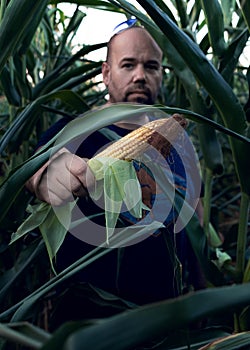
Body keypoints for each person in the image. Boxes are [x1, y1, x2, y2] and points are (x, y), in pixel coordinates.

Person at [26, 20, 205, 322]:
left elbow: (195, 212)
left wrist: (202, 288)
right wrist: (47, 179)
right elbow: (38, 172)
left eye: (151, 66)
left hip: (165, 317)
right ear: (106, 73)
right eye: (128, 65)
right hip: (90, 320)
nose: (140, 76)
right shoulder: (74, 132)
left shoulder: (179, 139)